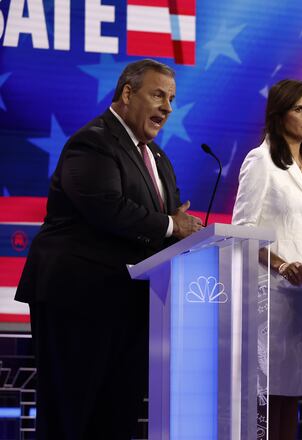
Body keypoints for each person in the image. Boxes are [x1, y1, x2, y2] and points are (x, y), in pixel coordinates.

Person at [15, 59, 203, 439]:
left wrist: (181, 228)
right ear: (127, 93)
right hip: (78, 300)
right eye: (157, 95)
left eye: (171, 99)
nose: (167, 107)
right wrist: (171, 225)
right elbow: (106, 207)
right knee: (71, 415)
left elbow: (171, 216)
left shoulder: (158, 157)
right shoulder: (92, 142)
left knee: (116, 416)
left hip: (130, 305)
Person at [232, 79, 302, 440]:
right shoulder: (261, 161)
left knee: (296, 392)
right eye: (299, 108)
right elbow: (243, 231)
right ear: (279, 113)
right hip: (271, 293)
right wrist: (281, 263)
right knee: (270, 397)